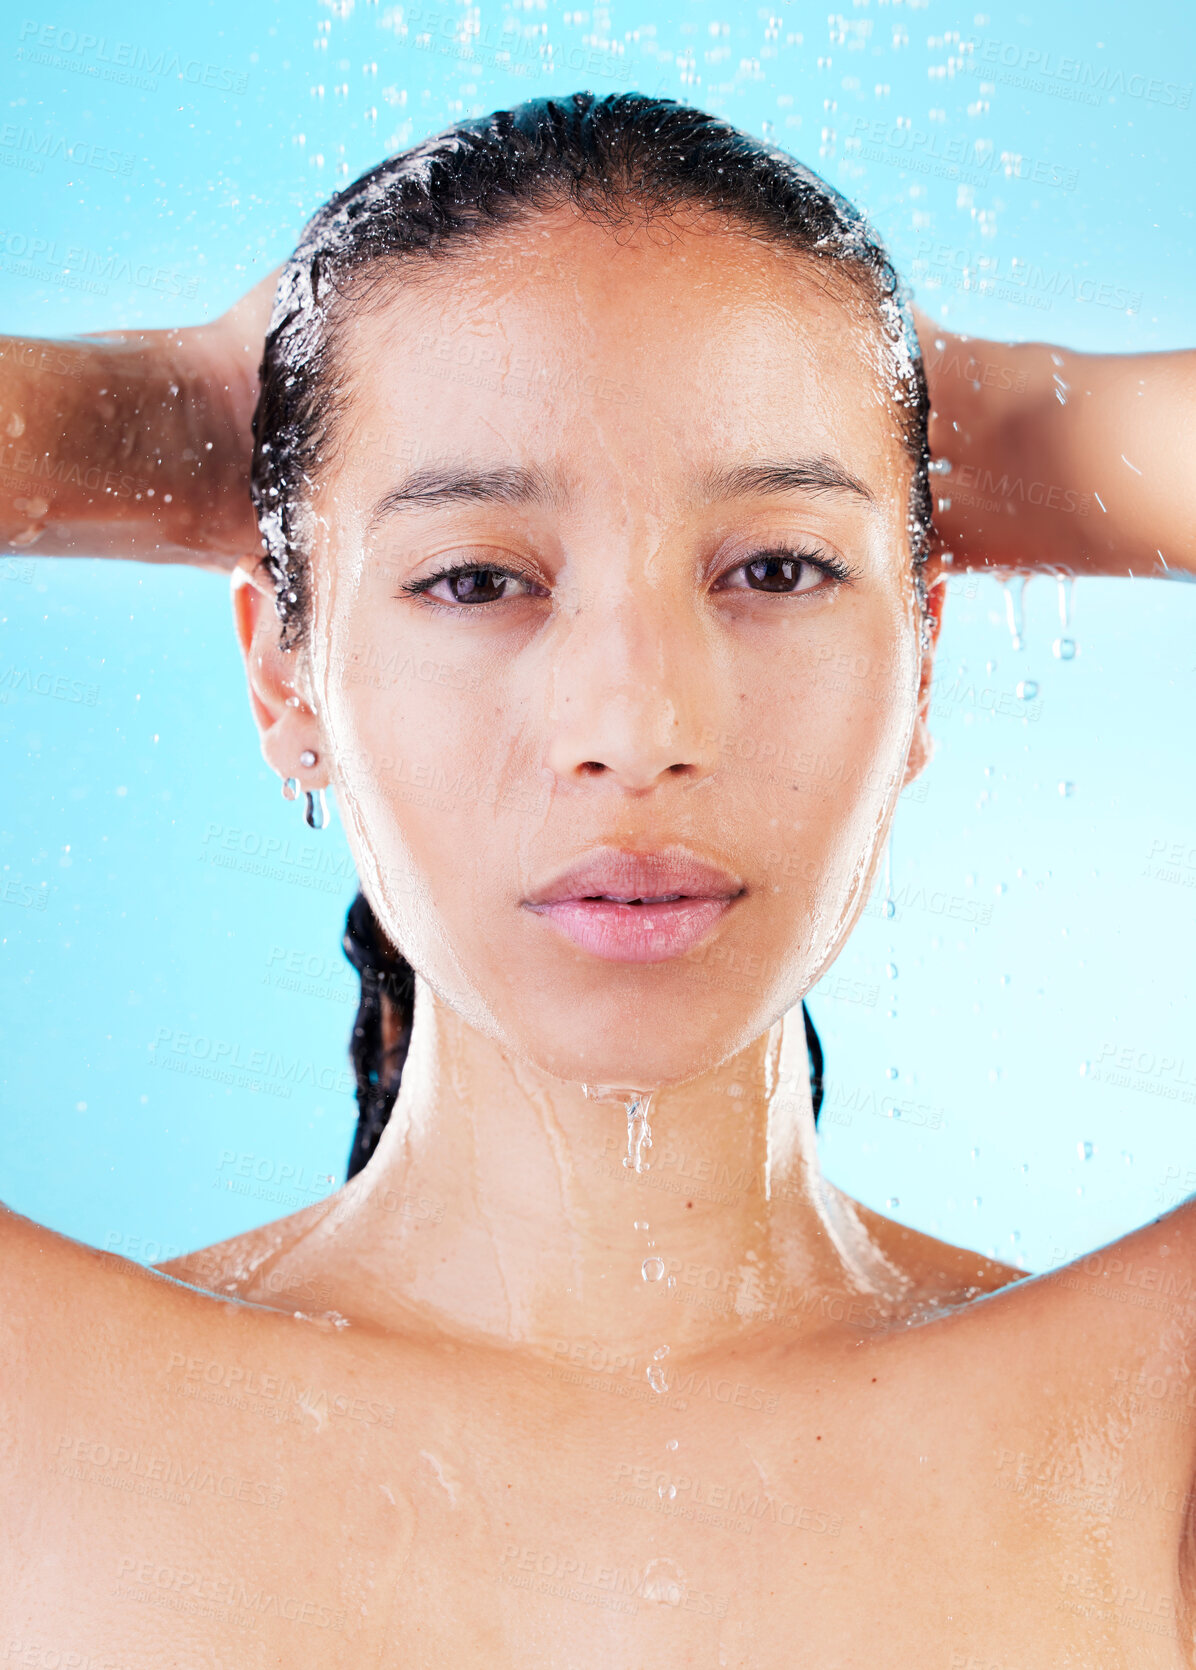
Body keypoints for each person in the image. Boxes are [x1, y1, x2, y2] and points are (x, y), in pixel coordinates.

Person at [1, 91, 1194, 1666]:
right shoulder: (40, 1418)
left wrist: (985, 424)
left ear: (921, 666)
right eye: (477, 575)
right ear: (285, 675)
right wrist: (151, 420)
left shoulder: (1142, 1427)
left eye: (778, 568)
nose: (637, 728)